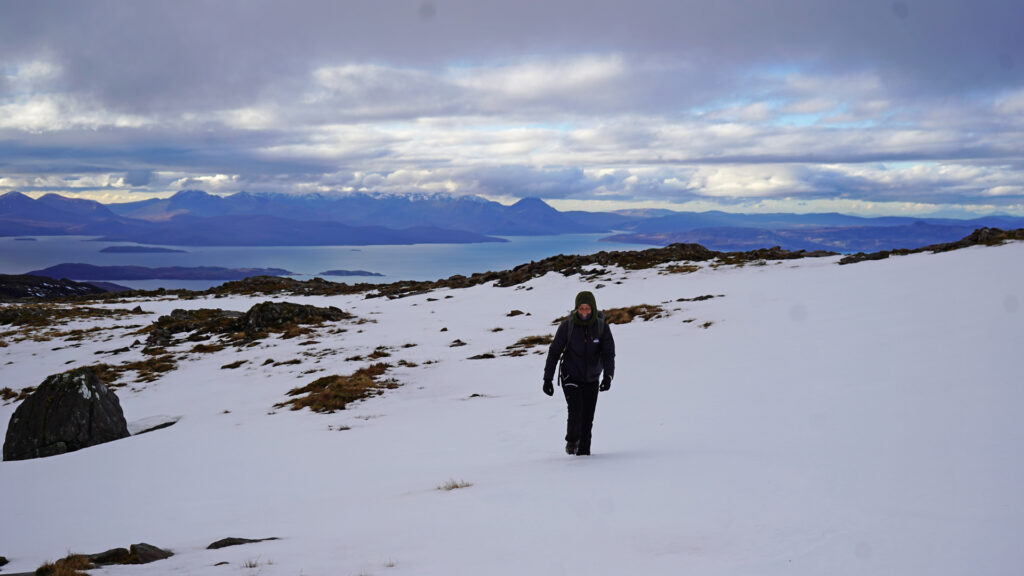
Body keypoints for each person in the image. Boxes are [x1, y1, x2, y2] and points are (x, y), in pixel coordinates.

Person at [543, 290, 615, 456]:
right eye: (581, 308)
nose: (584, 312)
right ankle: (572, 440)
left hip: (592, 378)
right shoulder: (567, 327)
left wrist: (608, 376)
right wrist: (548, 379)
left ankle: (584, 456)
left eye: (587, 309)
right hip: (570, 375)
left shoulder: (601, 327)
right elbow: (554, 352)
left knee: (587, 419)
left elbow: (608, 354)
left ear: (593, 309)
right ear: (576, 308)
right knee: (576, 410)